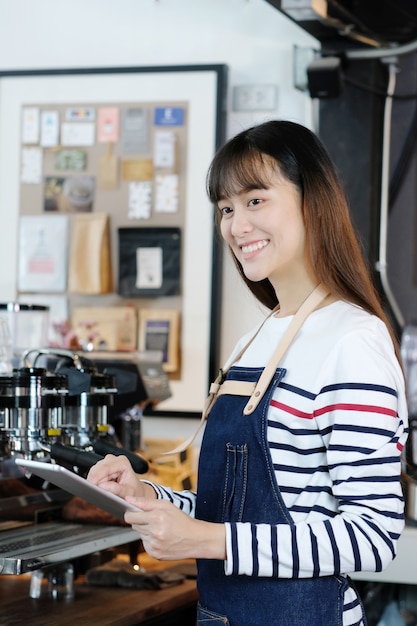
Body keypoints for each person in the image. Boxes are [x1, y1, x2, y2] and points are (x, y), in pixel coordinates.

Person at [87, 120, 408, 626]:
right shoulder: (253, 340)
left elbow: (372, 536)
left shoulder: (353, 339)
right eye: (227, 208)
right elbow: (226, 508)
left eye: (256, 200)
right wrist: (147, 495)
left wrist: (206, 540)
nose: (237, 226)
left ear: (313, 200)